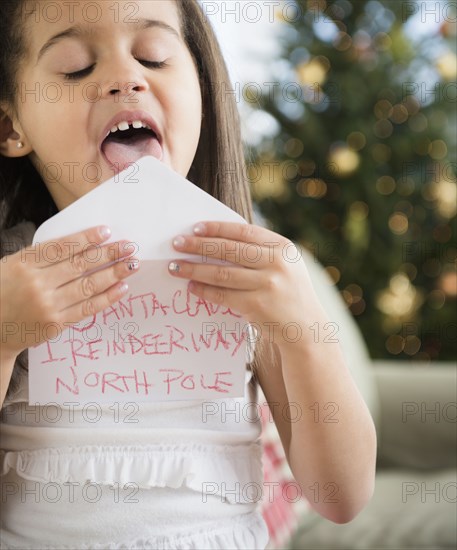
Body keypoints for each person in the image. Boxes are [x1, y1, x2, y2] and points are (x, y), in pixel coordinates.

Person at [0, 1, 377, 548]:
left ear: (202, 92)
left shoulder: (251, 273)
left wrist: (304, 334)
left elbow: (340, 495)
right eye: (76, 66)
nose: (125, 79)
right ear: (11, 127)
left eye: (154, 57)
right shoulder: (10, 278)